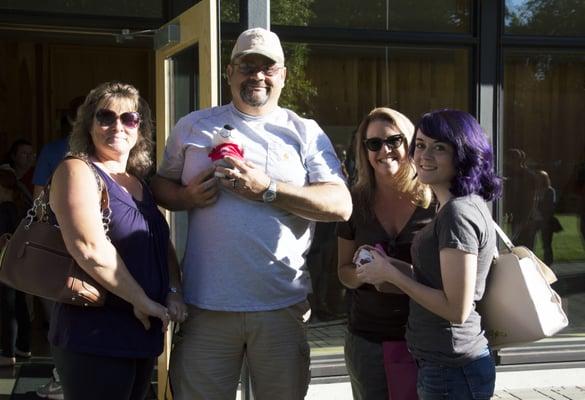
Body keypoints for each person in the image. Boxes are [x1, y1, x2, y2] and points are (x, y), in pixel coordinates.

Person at [151, 27, 352, 399]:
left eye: (268, 67)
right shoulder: (193, 126)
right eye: (247, 65)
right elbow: (158, 186)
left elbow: (340, 205)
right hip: (205, 305)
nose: (257, 75)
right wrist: (186, 195)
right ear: (230, 72)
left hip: (279, 305)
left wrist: (269, 190)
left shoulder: (304, 132)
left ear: (283, 75)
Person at [48, 82, 187, 400]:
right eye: (106, 116)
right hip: (94, 334)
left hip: (141, 331)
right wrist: (142, 300)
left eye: (129, 118)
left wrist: (174, 292)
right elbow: (89, 248)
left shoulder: (139, 182)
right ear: (89, 124)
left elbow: (160, 245)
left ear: (140, 128)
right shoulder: (77, 170)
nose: (117, 125)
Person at [355, 109, 502, 399]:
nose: (424, 155)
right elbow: (438, 281)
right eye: (420, 145)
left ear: (463, 154)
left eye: (439, 148)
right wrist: (389, 266)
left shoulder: (457, 213)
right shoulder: (455, 205)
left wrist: (391, 275)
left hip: (452, 367)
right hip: (447, 364)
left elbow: (456, 309)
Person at [337, 107, 434, 400]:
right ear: (365, 151)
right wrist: (363, 274)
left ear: (410, 143)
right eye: (374, 144)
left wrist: (396, 273)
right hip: (368, 340)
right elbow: (343, 271)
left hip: (425, 339)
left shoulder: (434, 200)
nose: (385, 150)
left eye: (394, 141)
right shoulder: (354, 202)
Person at [32, 95, 84, 400]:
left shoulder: (59, 150)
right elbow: (40, 199)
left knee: (68, 312)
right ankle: (66, 375)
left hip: (79, 242)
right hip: (75, 243)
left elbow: (40, 199)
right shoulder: (55, 150)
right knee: (70, 312)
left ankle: (67, 377)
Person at [0, 165, 31, 367]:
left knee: (7, 308)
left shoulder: (3, 210)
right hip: (20, 264)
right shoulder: (20, 208)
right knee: (19, 305)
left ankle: (7, 352)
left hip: (5, 264)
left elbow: (3, 239)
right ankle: (23, 346)